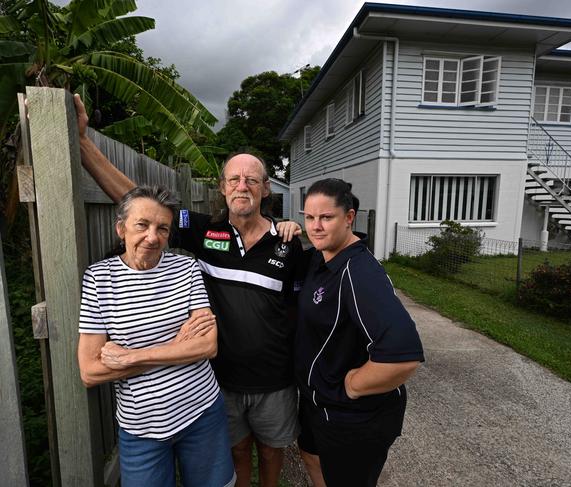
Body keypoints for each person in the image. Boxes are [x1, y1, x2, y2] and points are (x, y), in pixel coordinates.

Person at [72, 94, 304, 487]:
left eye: (251, 179)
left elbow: (305, 302)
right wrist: (83, 146)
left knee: (270, 452)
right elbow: (140, 206)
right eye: (234, 178)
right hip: (222, 379)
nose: (242, 185)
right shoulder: (204, 231)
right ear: (223, 187)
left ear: (266, 189)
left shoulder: (288, 242)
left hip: (274, 379)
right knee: (236, 454)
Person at [77, 185, 235, 487]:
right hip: (141, 429)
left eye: (162, 228)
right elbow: (90, 371)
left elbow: (207, 345)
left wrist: (130, 356)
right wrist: (177, 346)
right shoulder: (99, 279)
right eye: (142, 225)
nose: (152, 236)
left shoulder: (186, 268)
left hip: (201, 413)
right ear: (121, 228)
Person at [295, 178, 425, 487]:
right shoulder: (320, 257)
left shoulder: (359, 272)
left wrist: (352, 385)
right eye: (309, 217)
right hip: (317, 403)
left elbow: (402, 355)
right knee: (311, 456)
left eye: (326, 217)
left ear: (349, 218)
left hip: (353, 417)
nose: (316, 226)